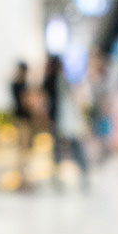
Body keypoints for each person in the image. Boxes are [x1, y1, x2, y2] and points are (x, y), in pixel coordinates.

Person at [41, 55, 89, 189]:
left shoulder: (58, 80)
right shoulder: (54, 80)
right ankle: (62, 173)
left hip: (63, 119)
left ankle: (79, 171)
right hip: (59, 119)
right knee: (63, 147)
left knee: (69, 145)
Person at [10, 60, 35, 182]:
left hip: (21, 117)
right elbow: (25, 102)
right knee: (24, 144)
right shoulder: (20, 85)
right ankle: (22, 169)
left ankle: (22, 168)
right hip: (23, 118)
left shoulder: (17, 84)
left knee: (23, 144)